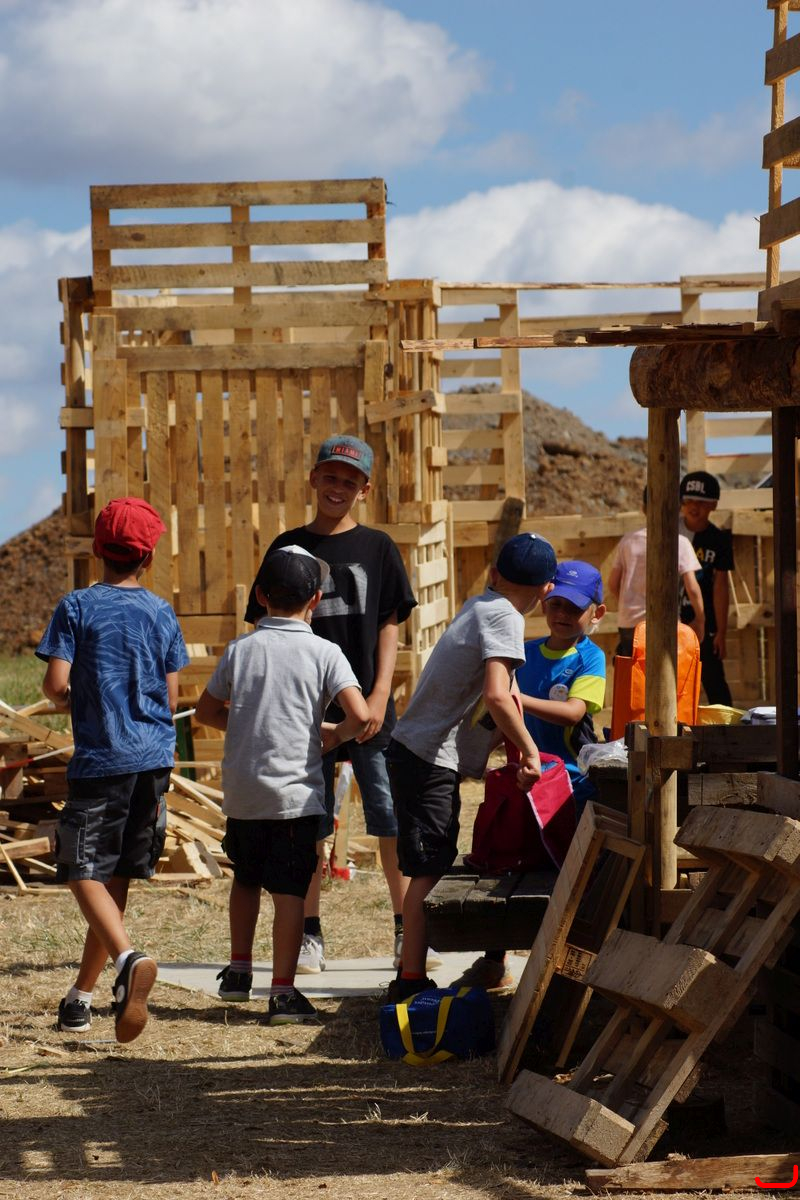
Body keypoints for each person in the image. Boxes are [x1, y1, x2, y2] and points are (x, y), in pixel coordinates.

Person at [244, 435, 418, 976]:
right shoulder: (288, 548)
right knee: (308, 823)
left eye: (350, 480)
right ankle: (310, 935)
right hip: (302, 713)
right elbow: (263, 627)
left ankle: (406, 930)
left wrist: (380, 693)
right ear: (314, 479)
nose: (338, 487)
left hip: (367, 709)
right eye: (331, 477)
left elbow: (389, 624)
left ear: (365, 489)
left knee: (388, 820)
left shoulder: (378, 547)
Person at [196, 545, 370, 1024]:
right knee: (291, 893)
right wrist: (334, 734)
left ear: (260, 596)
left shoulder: (241, 650)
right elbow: (360, 716)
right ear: (315, 600)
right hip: (294, 799)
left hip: (244, 795)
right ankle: (282, 992)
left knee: (246, 879)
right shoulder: (324, 652)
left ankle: (238, 972)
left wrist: (247, 723)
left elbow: (206, 711)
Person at [36, 497, 189, 1043]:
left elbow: (55, 685)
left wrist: (79, 698)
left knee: (80, 868)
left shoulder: (76, 606)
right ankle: (81, 998)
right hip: (153, 761)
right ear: (149, 557)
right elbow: (172, 696)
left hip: (103, 760)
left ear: (98, 551)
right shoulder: (161, 612)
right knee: (114, 876)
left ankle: (127, 959)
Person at [385, 532, 558, 1002]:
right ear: (546, 590)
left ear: (495, 573)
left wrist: (507, 744)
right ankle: (409, 982)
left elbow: (501, 695)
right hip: (425, 758)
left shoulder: (481, 605)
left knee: (431, 863)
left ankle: (410, 975)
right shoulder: (505, 616)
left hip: (418, 754)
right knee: (429, 870)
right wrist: (530, 752)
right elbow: (497, 695)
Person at [452, 560, 607, 993]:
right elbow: (497, 717)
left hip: (569, 789)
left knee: (567, 877)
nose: (562, 614)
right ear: (543, 602)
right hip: (522, 784)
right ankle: (494, 962)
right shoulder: (525, 652)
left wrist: (514, 699)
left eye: (574, 608)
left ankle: (571, 966)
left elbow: (574, 713)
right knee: (504, 869)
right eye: (555, 604)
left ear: (597, 613)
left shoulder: (590, 658)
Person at [608, 486, 705, 657]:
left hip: (629, 623)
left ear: (643, 508)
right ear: (678, 509)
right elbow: (692, 588)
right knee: (667, 669)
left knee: (635, 671)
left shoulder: (628, 541)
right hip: (666, 623)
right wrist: (700, 619)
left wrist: (628, 602)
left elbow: (613, 584)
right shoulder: (680, 543)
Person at [679, 470, 734, 706]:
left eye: (701, 502)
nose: (694, 506)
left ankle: (727, 727)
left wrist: (721, 631)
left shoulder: (718, 540)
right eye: (689, 500)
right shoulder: (669, 533)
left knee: (714, 683)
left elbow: (721, 586)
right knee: (674, 681)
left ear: (713, 505)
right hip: (671, 620)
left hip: (705, 623)